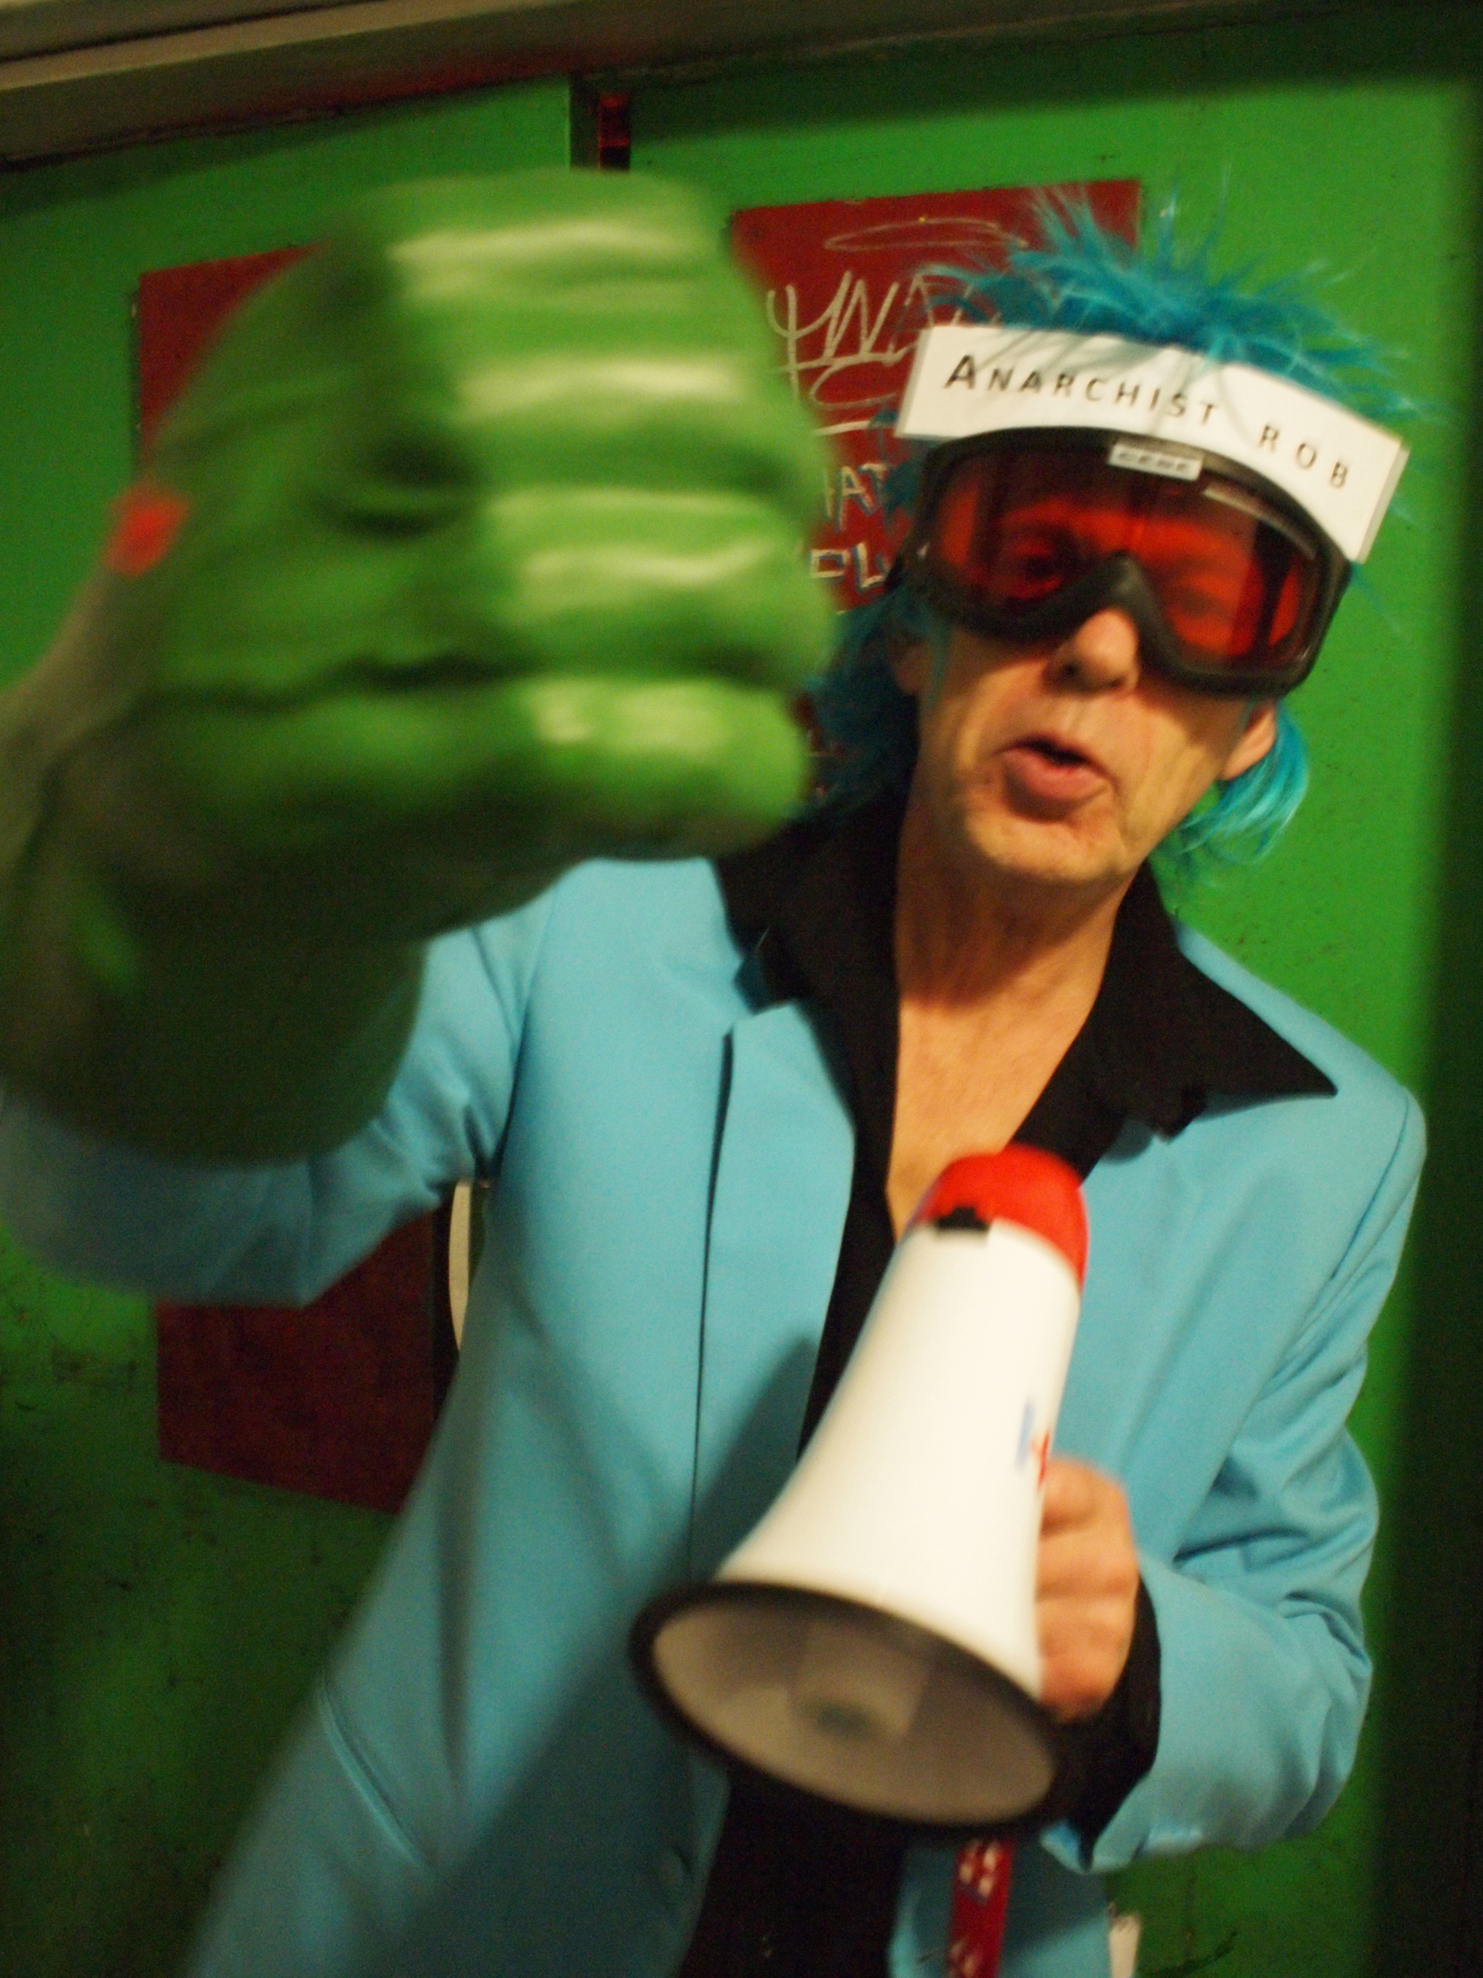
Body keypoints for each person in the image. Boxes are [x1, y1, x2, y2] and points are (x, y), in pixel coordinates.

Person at [0, 172, 1423, 1978]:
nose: (1100, 643)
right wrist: (165, 862)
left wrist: (1134, 1657)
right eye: (1032, 550)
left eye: (1210, 600)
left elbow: (1307, 1680)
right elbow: (177, 1213)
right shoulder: (588, 912)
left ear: (1248, 730)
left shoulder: (1326, 1147)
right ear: (909, 620)